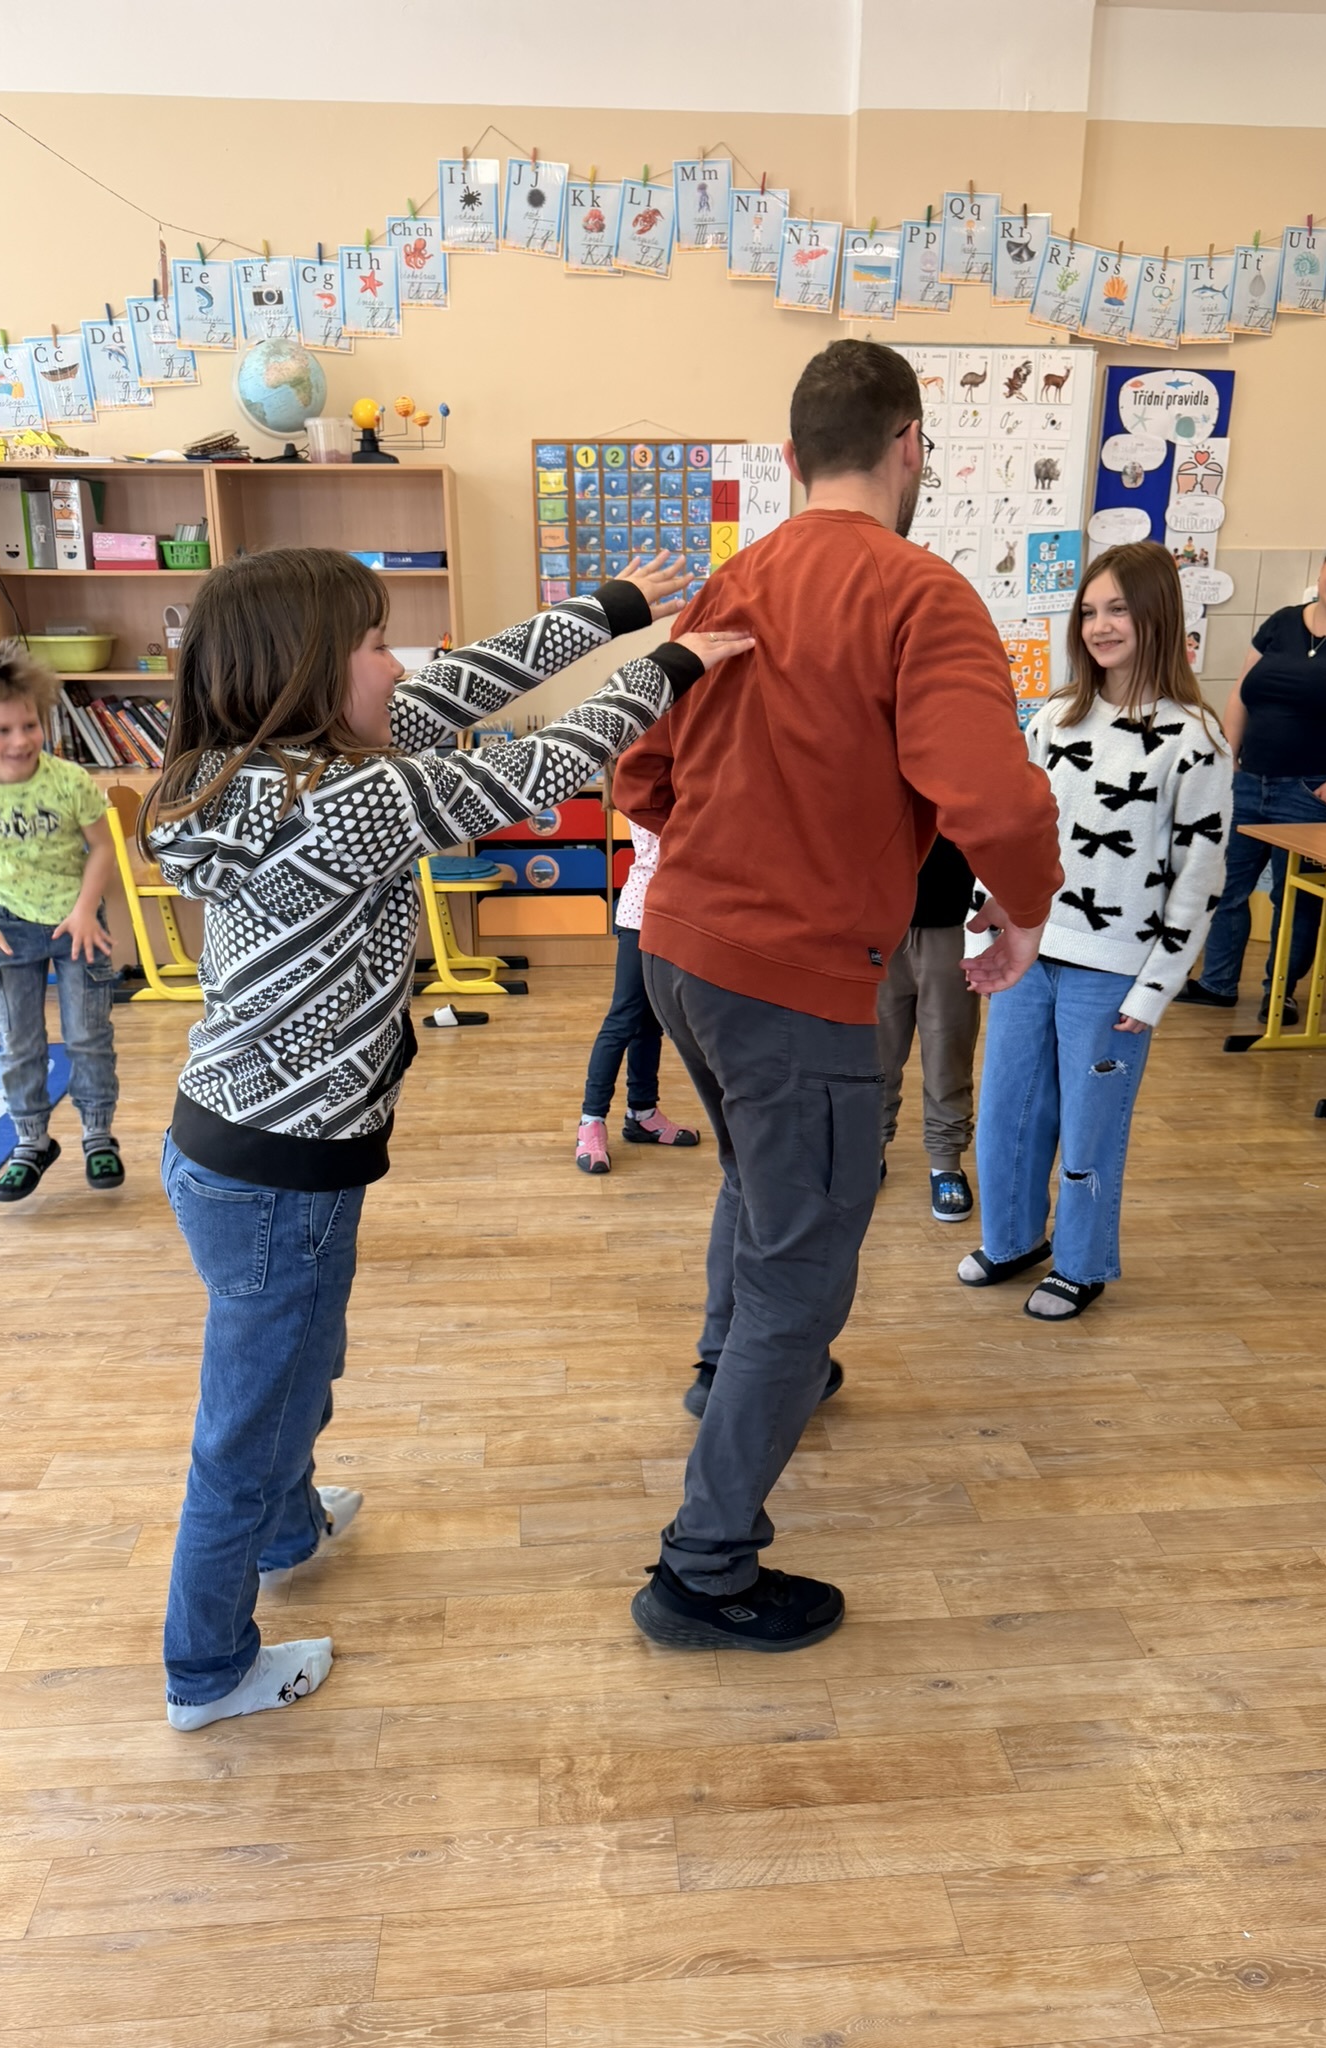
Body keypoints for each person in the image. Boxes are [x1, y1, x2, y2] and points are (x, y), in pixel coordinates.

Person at [139, 547, 750, 1729]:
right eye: (374, 643)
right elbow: (548, 760)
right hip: (280, 1172)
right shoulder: (345, 801)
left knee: (302, 1361)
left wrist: (612, 609)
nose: (399, 663)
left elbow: (463, 683)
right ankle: (206, 1668)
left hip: (241, 1150)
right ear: (310, 670)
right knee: (243, 1428)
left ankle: (288, 1525)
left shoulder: (237, 772)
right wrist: (672, 663)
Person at [613, 338, 1062, 1655]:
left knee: (758, 1183)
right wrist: (1024, 910)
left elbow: (639, 771)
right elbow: (994, 800)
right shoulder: (923, 593)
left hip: (678, 951)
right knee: (804, 1270)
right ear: (912, 445)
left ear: (791, 456)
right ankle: (704, 1568)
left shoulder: (731, 581)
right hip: (791, 980)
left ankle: (729, 1368)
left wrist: (721, 862)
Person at [959, 541, 1231, 1320]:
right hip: (1028, 952)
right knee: (1007, 1114)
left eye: (1118, 610)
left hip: (1113, 967)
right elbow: (1010, 833)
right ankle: (1012, 1240)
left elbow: (1198, 880)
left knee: (1090, 1127)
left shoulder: (1196, 739)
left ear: (1157, 617)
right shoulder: (1056, 717)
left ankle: (1080, 1263)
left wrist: (1154, 991)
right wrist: (984, 935)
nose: (1100, 626)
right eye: (1089, 611)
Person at [1182, 530, 1326, 1024]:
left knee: (1297, 896)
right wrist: (1229, 758)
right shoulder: (1282, 623)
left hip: (1316, 791)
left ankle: (1280, 991)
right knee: (1225, 884)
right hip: (1249, 781)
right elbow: (1241, 693)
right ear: (1324, 566)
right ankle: (1217, 983)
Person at [0, 643, 123, 1199]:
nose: (20, 740)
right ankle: (31, 1141)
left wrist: (85, 909)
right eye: (2, 730)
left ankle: (97, 1135)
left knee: (88, 1038)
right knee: (19, 1044)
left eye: (29, 725)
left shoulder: (69, 780)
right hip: (7, 928)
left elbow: (103, 847)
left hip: (77, 925)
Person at [575, 820, 699, 1172]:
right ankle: (591, 1122)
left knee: (649, 1022)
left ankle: (642, 1113)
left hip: (671, 913)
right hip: (643, 913)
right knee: (624, 1018)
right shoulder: (652, 789)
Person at [876, 834, 980, 1220]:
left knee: (947, 1054)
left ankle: (945, 1163)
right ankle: (867, 1153)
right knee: (872, 1058)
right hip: (875, 925)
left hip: (952, 920)